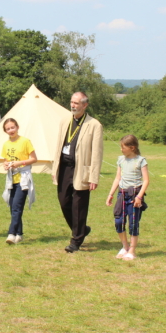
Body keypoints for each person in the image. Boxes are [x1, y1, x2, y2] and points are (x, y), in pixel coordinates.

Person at [51, 91, 104, 253]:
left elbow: (97, 153)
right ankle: (81, 229)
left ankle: (76, 240)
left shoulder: (94, 125)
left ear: (85, 105)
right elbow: (59, 145)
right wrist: (55, 168)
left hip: (82, 169)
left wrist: (94, 176)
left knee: (79, 206)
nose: (73, 105)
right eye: (72, 102)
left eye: (76, 103)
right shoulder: (64, 121)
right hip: (65, 168)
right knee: (64, 202)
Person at [106, 135, 149, 261]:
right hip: (122, 194)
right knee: (119, 221)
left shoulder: (141, 161)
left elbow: (146, 181)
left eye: (123, 147)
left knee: (133, 224)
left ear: (132, 147)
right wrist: (111, 194)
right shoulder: (120, 160)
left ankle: (132, 250)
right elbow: (117, 178)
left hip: (135, 195)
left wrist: (139, 197)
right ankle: (125, 247)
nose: (121, 149)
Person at [1, 118, 37, 245]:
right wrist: (6, 165)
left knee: (17, 207)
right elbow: (5, 160)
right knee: (13, 208)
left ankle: (11, 233)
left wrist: (19, 163)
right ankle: (19, 234)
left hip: (23, 179)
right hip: (12, 179)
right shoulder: (6, 144)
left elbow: (34, 159)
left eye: (12, 127)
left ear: (17, 127)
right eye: (8, 129)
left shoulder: (25, 141)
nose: (11, 130)